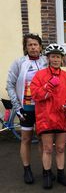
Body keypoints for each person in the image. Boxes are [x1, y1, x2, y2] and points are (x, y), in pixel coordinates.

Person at [6, 33, 47, 184]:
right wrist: (18, 107)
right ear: (26, 47)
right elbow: (9, 85)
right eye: (30, 45)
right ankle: (27, 170)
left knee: (44, 140)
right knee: (26, 139)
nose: (33, 47)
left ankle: (46, 170)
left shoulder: (46, 62)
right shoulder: (19, 63)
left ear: (40, 47)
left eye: (35, 44)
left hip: (43, 109)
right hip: (26, 109)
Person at [30, 44, 66, 189]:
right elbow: (35, 95)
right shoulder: (40, 75)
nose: (55, 59)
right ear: (48, 58)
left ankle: (61, 174)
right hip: (45, 117)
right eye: (53, 56)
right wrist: (48, 85)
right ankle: (47, 174)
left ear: (62, 59)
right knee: (47, 149)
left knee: (60, 148)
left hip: (61, 117)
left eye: (58, 57)